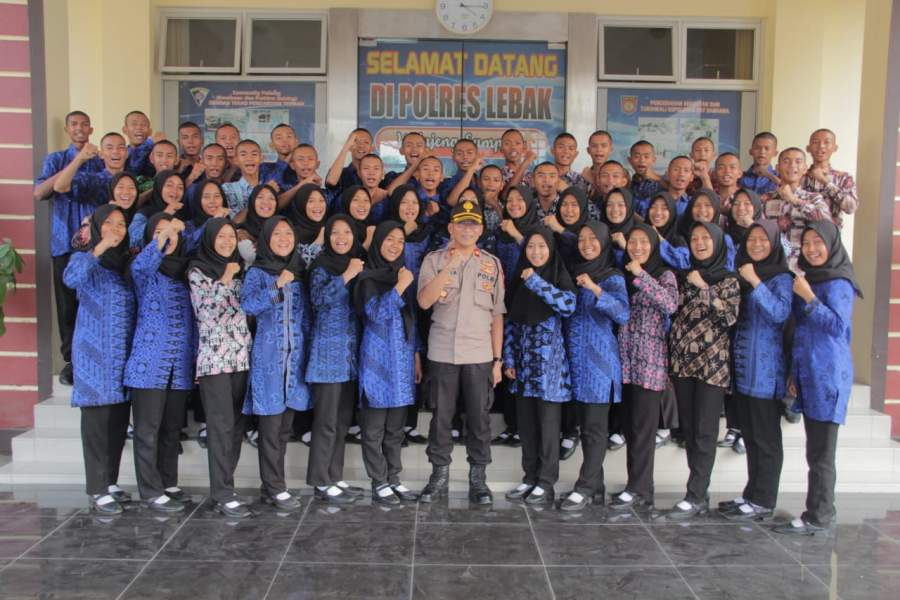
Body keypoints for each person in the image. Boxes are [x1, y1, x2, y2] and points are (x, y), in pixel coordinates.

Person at [775, 221, 861, 535]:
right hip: (809, 372)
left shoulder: (840, 282)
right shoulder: (810, 278)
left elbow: (837, 327)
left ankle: (820, 515)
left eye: (818, 242)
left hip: (829, 376)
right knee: (815, 451)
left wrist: (809, 297)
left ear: (832, 244)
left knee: (822, 453)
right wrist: (795, 373)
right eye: (807, 243)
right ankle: (820, 511)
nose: (812, 249)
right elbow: (802, 331)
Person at [417, 200, 505, 504]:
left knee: (479, 419)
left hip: (479, 354)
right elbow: (424, 301)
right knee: (441, 417)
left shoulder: (492, 264)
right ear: (451, 227)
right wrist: (451, 265)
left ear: (480, 230)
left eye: (473, 224)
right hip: (442, 352)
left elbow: (497, 314)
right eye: (462, 224)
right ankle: (438, 476)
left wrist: (497, 360)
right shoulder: (434, 260)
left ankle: (478, 480)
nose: (467, 230)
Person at [664, 221, 740, 520]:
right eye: (694, 238)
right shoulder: (683, 277)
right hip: (683, 364)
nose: (699, 242)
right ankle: (699, 492)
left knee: (705, 431)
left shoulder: (728, 280)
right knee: (690, 430)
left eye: (706, 237)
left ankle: (695, 494)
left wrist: (704, 289)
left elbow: (729, 317)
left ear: (718, 242)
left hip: (712, 366)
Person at [63, 205, 136, 514]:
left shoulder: (122, 265)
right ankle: (97, 488)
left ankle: (110, 481)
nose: (116, 228)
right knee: (97, 423)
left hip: (121, 355)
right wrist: (100, 246)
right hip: (94, 355)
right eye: (109, 223)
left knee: (117, 422)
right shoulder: (85, 259)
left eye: (121, 224)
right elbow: (71, 279)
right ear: (96, 227)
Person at [718, 220, 792, 521]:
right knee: (750, 436)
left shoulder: (781, 278)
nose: (757, 244)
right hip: (743, 370)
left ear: (774, 243)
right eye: (752, 239)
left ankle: (764, 500)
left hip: (765, 373)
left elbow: (780, 313)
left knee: (766, 439)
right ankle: (751, 493)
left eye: (763, 239)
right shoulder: (743, 275)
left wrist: (756, 281)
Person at [126, 214, 195, 513]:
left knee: (170, 429)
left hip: (179, 366)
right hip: (149, 364)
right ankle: (150, 490)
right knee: (147, 431)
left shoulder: (185, 274)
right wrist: (166, 233)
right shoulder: (145, 272)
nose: (167, 237)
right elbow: (142, 265)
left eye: (172, 233)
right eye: (159, 232)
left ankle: (168, 482)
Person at [503, 226, 576, 505]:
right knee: (527, 427)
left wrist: (535, 282)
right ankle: (529, 477)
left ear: (551, 250)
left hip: (550, 371)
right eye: (531, 247)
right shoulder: (519, 279)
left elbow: (568, 305)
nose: (536, 252)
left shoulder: (555, 277)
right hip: (523, 367)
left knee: (547, 429)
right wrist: (509, 359)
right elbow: (511, 322)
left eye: (542, 246)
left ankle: (546, 483)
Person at [240, 216, 309, 511]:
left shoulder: (299, 272)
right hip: (268, 361)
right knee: (269, 428)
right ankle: (276, 487)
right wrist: (277, 285)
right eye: (277, 234)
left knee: (283, 429)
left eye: (288, 233)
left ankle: (271, 486)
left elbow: (305, 318)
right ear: (266, 239)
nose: (284, 239)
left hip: (294, 362)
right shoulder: (257, 273)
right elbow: (248, 305)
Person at [560, 221, 629, 510]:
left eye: (593, 238)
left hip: (599, 365)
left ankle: (585, 487)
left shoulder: (612, 277)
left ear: (603, 242)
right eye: (582, 239)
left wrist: (595, 289)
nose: (586, 244)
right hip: (576, 364)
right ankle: (595, 485)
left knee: (594, 429)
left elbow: (622, 313)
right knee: (586, 426)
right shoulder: (572, 272)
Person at [187, 218, 252, 518]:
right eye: (221, 236)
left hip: (241, 357)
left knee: (236, 425)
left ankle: (226, 487)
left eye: (231, 237)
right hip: (215, 361)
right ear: (210, 239)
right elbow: (206, 310)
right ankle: (222, 492)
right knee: (220, 425)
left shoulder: (241, 271)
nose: (227, 242)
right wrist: (226, 276)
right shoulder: (198, 271)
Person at [609, 223, 678, 510]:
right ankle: (639, 486)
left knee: (643, 430)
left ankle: (638, 488)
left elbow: (670, 304)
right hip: (626, 362)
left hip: (650, 365)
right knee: (631, 426)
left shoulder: (664, 274)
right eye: (633, 242)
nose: (637, 247)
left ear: (653, 245)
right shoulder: (623, 273)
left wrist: (641, 275)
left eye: (643, 242)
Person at [34, 110, 105, 385]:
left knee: (94, 303)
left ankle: (94, 357)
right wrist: (78, 159)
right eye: (74, 124)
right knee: (67, 307)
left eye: (84, 124)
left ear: (91, 128)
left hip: (94, 245)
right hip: (63, 241)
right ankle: (71, 362)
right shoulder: (56, 159)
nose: (79, 128)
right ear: (67, 129)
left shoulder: (100, 160)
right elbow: (40, 192)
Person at [354, 221, 422, 504]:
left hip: (402, 361)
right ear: (378, 241)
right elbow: (376, 314)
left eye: (400, 241)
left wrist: (416, 355)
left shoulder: (401, 274)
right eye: (389, 239)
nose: (395, 245)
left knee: (395, 429)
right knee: (373, 430)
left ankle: (394, 478)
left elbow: (412, 319)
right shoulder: (367, 278)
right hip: (376, 362)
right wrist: (400, 286)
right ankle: (378, 481)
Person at [305, 215, 366, 504]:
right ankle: (320, 481)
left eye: (347, 232)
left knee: (341, 422)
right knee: (326, 422)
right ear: (327, 237)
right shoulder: (321, 267)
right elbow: (318, 300)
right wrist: (346, 276)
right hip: (326, 357)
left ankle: (334, 476)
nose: (341, 238)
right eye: (335, 233)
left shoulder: (356, 263)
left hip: (349, 357)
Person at [389, 184, 434, 445]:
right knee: (401, 359)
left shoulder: (427, 233)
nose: (409, 208)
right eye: (404, 202)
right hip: (398, 299)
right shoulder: (389, 233)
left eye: (414, 203)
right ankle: (396, 424)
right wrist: (401, 234)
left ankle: (411, 423)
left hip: (423, 301)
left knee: (420, 360)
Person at [765, 148, 830, 269]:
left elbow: (826, 223)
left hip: (804, 265)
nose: (792, 165)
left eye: (798, 161)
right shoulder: (766, 199)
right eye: (786, 161)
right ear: (777, 168)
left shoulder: (813, 198)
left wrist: (794, 200)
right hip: (772, 265)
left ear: (805, 169)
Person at [801, 128, 859, 229]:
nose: (821, 146)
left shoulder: (843, 178)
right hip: (800, 234)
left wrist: (826, 182)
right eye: (815, 142)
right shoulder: (799, 176)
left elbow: (850, 208)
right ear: (808, 148)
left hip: (830, 235)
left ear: (835, 148)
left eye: (827, 142)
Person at [283, 183, 327, 265]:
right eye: (311, 201)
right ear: (301, 204)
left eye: (321, 200)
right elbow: (295, 267)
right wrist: (318, 242)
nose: (317, 205)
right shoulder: (291, 234)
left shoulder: (331, 228)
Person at [236, 184, 278, 265]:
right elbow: (253, 257)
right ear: (252, 202)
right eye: (260, 197)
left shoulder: (283, 226)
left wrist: (258, 240)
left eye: (271, 198)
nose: (266, 202)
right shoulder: (241, 233)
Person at [738, 132, 780, 199]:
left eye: (767, 148)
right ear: (750, 151)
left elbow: (788, 191)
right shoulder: (740, 177)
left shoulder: (780, 177)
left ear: (775, 153)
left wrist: (768, 175)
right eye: (757, 148)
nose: (762, 152)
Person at [627, 140, 663, 212]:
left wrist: (657, 178)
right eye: (637, 156)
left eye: (646, 157)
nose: (642, 160)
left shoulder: (663, 184)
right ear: (630, 160)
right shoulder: (627, 184)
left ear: (653, 160)